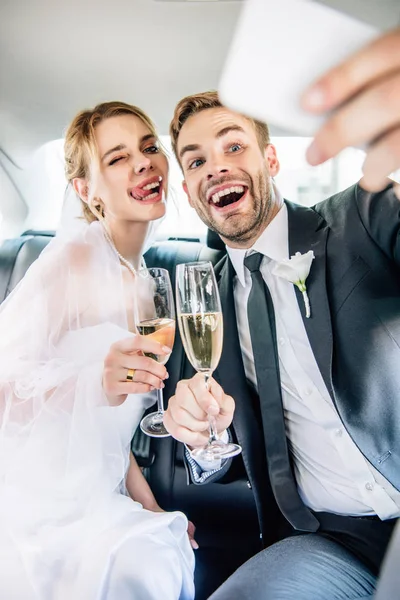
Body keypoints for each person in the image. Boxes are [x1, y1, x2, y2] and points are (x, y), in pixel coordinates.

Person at [163, 28, 400, 599]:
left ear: (270, 157)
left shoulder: (362, 216)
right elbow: (221, 463)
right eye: (195, 161)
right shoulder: (200, 301)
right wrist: (198, 440)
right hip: (328, 540)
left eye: (233, 145)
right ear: (191, 192)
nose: (215, 167)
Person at [0, 101, 195, 600]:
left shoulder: (149, 283)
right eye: (118, 157)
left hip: (96, 491)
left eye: (150, 147)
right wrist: (91, 382)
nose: (144, 162)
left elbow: (110, 431)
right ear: (86, 191)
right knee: (144, 569)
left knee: (159, 552)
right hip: (37, 494)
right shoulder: (75, 259)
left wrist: (151, 507)